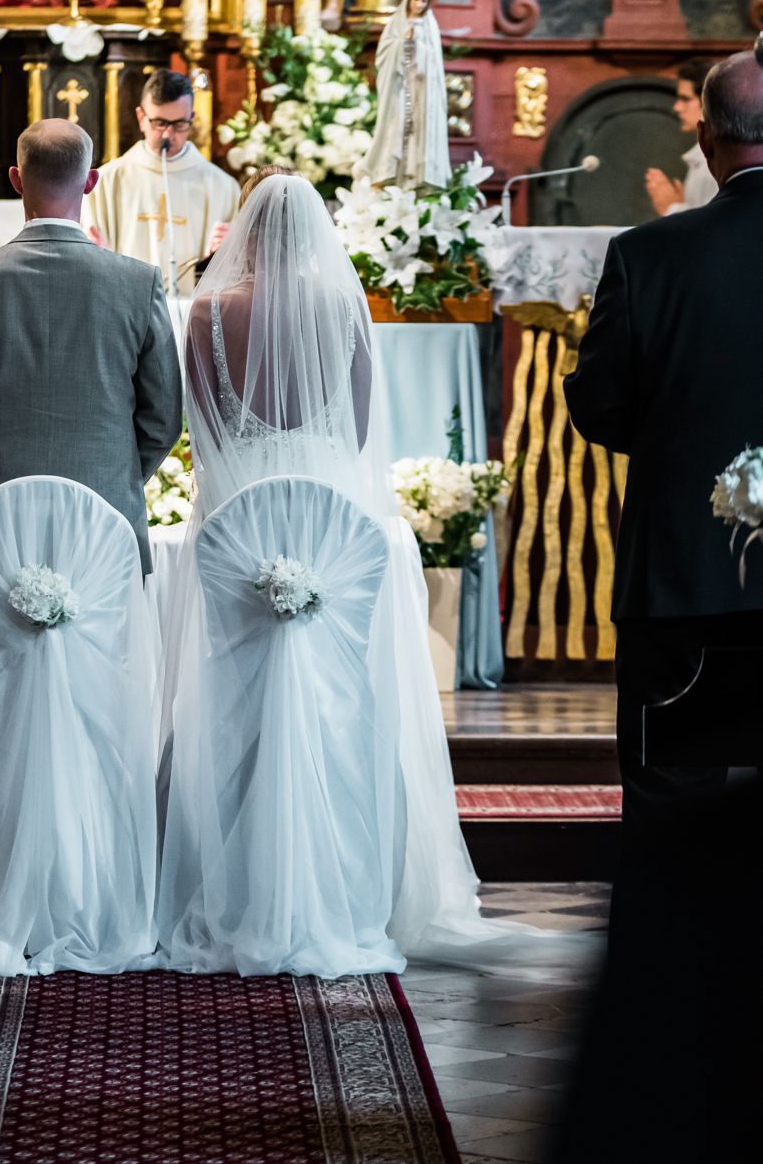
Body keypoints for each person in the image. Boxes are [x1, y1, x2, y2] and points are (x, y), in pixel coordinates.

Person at [157, 171, 572, 976]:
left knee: (235, 702)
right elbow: (355, 433)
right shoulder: (344, 307)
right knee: (336, 702)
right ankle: (344, 884)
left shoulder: (207, 310)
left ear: (244, 231)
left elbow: (201, 428)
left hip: (238, 521)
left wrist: (237, 502)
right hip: (330, 524)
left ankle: (236, 885)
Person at [565, 50, 763, 835]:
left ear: (709, 142)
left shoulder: (647, 256)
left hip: (685, 576)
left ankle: (673, 953)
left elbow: (599, 405)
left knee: (674, 801)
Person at [0, 117, 182, 575]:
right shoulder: (139, 283)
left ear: (16, 180)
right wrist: (109, 473)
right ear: (91, 181)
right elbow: (163, 420)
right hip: (108, 518)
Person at [85, 69, 240, 290]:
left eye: (179, 124)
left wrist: (225, 253)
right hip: (124, 306)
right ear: (141, 117)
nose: (168, 135)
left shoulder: (222, 187)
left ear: (192, 119)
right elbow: (89, 253)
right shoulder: (107, 181)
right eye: (159, 123)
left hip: (191, 312)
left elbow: (234, 268)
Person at [362, 0, 451, 189]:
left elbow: (434, 60)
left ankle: (416, 177)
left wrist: (419, 45)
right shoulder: (396, 23)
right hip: (400, 86)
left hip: (422, 89)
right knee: (397, 127)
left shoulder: (430, 26)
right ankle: (391, 173)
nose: (419, 4)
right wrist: (403, 42)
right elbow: (383, 54)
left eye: (423, 1)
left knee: (419, 130)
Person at [644, 56, 718, 216]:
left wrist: (672, 208)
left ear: (707, 102)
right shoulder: (705, 156)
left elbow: (713, 225)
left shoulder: (716, 160)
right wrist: (682, 205)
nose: (676, 107)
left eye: (685, 99)